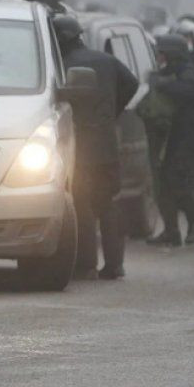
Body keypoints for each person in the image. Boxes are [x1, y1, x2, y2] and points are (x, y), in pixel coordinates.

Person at [54, 15, 138, 280]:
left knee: (81, 203)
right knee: (107, 203)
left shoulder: (61, 65)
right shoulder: (107, 60)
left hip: (78, 146)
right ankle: (115, 265)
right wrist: (113, 110)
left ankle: (85, 263)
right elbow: (132, 83)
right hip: (105, 144)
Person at [144, 34, 194, 247]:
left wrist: (161, 84)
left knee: (179, 182)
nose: (158, 57)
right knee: (164, 184)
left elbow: (190, 92)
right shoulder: (170, 73)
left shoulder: (189, 75)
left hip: (189, 138)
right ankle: (171, 231)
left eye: (161, 53)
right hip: (170, 137)